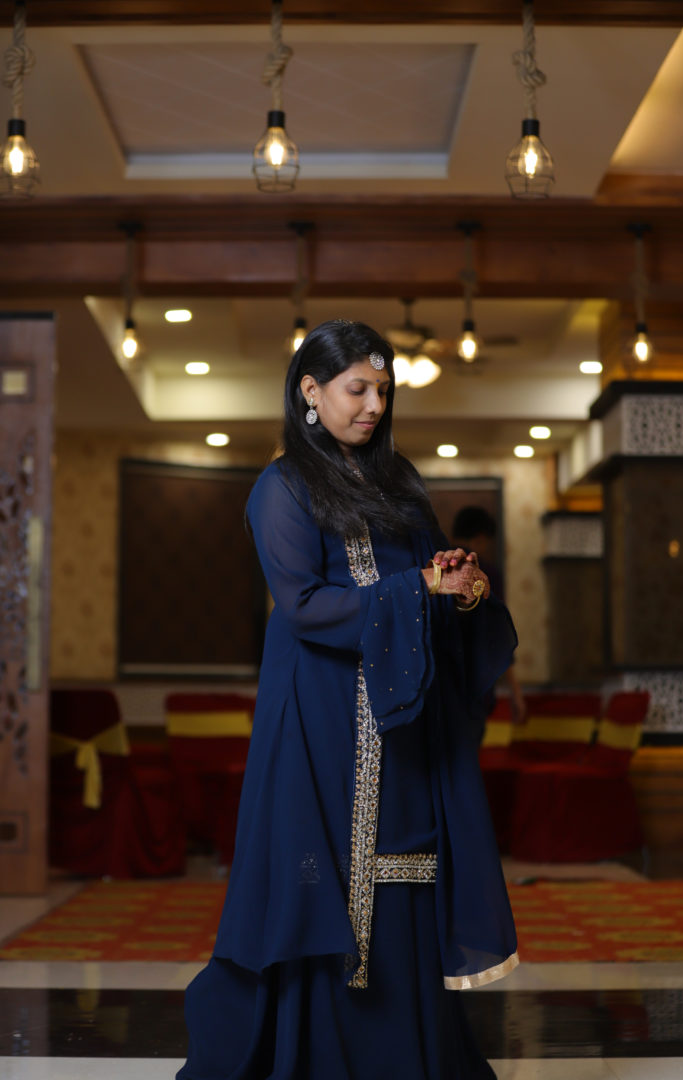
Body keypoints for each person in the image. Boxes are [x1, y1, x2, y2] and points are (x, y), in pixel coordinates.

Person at [177, 320, 519, 1080]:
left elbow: (430, 580)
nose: (374, 406)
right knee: (324, 877)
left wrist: (461, 589)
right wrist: (417, 587)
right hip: (321, 722)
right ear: (311, 390)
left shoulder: (399, 483)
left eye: (383, 391)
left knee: (406, 869)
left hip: (405, 719)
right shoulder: (283, 487)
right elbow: (303, 605)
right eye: (357, 389)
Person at [452, 506, 527, 742]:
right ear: (481, 538)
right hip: (476, 685)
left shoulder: (434, 568)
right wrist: (515, 693)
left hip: (440, 684)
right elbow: (499, 634)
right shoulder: (486, 573)